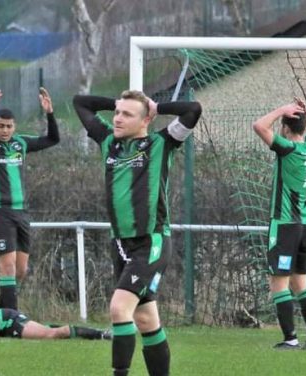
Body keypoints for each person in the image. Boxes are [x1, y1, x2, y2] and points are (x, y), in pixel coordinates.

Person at [73, 91, 202, 376]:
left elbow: (193, 109)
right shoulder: (108, 141)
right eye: (117, 113)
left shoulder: (161, 143)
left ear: (146, 120)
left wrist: (157, 106)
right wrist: (116, 102)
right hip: (119, 244)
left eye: (127, 114)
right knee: (145, 319)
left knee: (120, 308)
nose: (117, 118)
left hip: (151, 241)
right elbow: (80, 102)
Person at [0, 88, 60, 310]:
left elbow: (53, 139)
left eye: (9, 126)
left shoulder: (21, 144)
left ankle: (1, 311)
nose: (5, 130)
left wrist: (50, 113)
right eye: (1, 126)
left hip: (21, 211)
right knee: (7, 267)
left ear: (14, 127)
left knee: (20, 270)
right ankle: (12, 316)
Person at [252, 97, 306, 350]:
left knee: (279, 283)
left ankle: (290, 339)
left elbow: (259, 126)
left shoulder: (288, 149)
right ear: (303, 127)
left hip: (284, 225)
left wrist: (283, 109)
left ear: (284, 128)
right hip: (304, 225)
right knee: (300, 282)